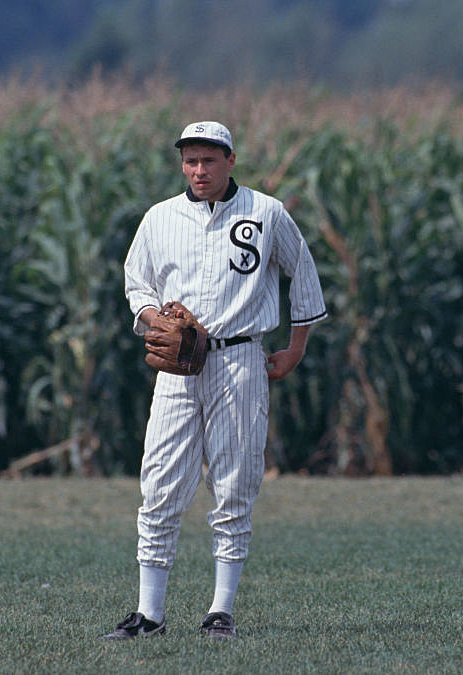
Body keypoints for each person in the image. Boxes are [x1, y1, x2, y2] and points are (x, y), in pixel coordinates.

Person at [102, 121, 327, 640]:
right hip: (178, 368)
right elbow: (138, 282)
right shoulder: (161, 218)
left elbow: (304, 272)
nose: (198, 170)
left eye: (209, 159)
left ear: (230, 160)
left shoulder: (265, 212)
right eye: (190, 160)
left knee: (233, 485)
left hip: (240, 360)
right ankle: (149, 615)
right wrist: (153, 319)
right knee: (159, 486)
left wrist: (295, 347)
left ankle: (220, 611)